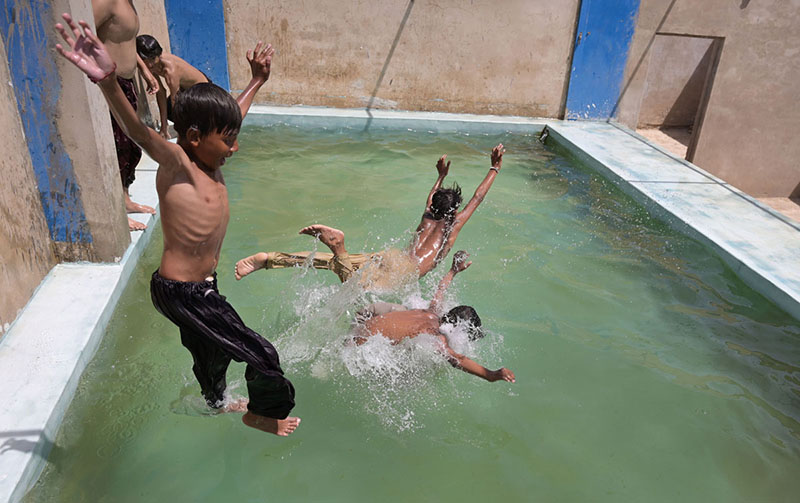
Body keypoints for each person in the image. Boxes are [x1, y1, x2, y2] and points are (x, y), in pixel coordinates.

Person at [56, 14, 300, 436]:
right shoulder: (178, 162)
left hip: (196, 288)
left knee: (212, 354)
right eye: (227, 140)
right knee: (263, 355)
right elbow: (136, 130)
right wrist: (108, 81)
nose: (234, 147)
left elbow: (231, 118)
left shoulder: (209, 153)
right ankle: (262, 412)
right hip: (183, 292)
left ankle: (216, 401)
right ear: (192, 136)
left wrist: (256, 82)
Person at [234, 145, 506, 290]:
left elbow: (430, 198)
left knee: (334, 266)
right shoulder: (454, 225)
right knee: (353, 290)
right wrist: (494, 167)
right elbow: (478, 198)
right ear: (454, 211)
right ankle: (338, 244)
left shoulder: (427, 216)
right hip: (404, 272)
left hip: (392, 256)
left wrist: (440, 176)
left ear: (434, 206)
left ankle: (269, 259)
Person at [354, 251, 515, 383]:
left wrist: (453, 271)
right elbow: (456, 359)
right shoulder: (437, 336)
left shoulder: (432, 313)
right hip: (357, 350)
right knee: (411, 379)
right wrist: (491, 375)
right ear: (456, 328)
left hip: (364, 316)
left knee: (403, 312)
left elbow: (440, 290)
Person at [93, 0, 160, 231]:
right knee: (119, 146)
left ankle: (124, 198)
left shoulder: (128, 4)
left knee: (130, 148)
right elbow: (84, 37)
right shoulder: (107, 2)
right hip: (112, 83)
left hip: (127, 80)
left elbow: (127, 42)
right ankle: (117, 212)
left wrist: (143, 70)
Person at [136, 34, 210, 139]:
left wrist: (180, 132)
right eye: (147, 60)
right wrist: (163, 127)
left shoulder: (170, 70)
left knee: (184, 116)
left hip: (203, 91)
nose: (150, 64)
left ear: (158, 54)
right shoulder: (150, 65)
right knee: (169, 112)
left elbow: (176, 101)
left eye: (153, 59)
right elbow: (160, 92)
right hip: (186, 90)